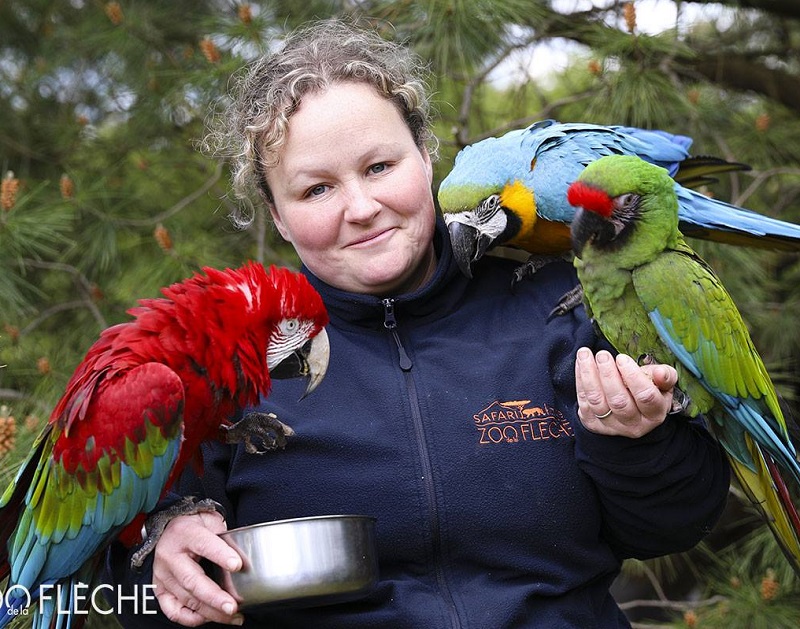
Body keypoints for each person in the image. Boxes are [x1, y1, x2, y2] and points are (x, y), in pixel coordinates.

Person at [106, 18, 730, 628]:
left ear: (428, 157)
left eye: (379, 168)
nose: (362, 207)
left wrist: (635, 441)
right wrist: (163, 549)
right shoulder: (215, 363)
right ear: (276, 213)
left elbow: (674, 524)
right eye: (316, 190)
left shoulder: (568, 304)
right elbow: (122, 588)